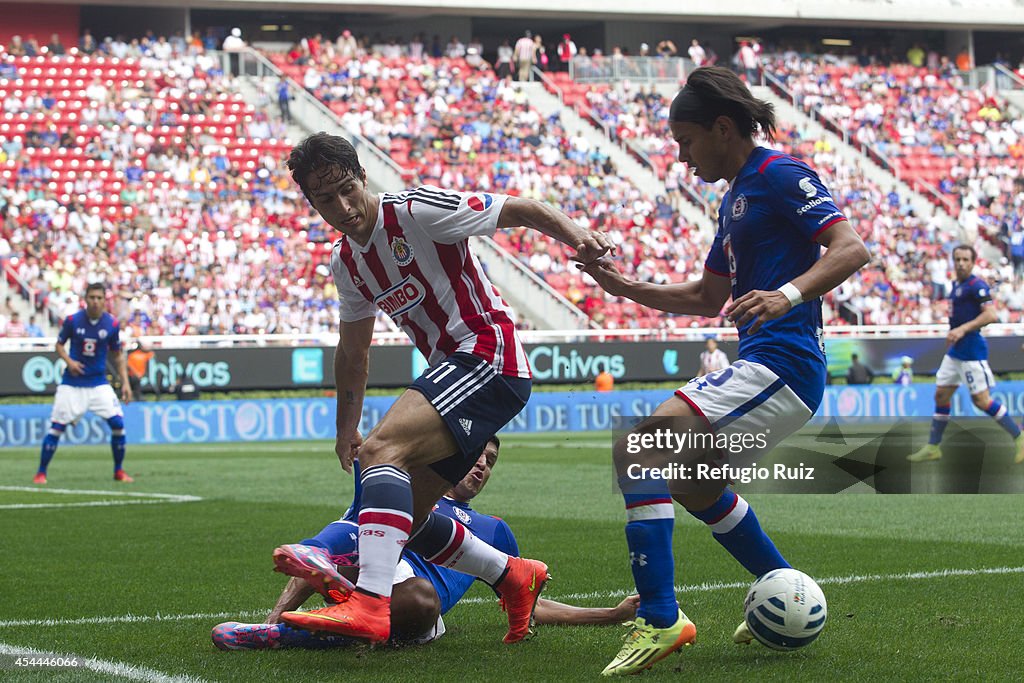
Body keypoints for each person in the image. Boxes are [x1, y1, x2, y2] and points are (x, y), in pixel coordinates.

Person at [582, 66, 869, 675]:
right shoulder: (734, 198)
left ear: (721, 127)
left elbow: (850, 249)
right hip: (768, 366)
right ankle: (785, 592)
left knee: (640, 447)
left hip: (784, 364)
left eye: (685, 142)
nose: (681, 157)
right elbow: (706, 297)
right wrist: (625, 284)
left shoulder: (781, 174)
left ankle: (660, 619)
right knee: (690, 482)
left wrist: (786, 295)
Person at [278, 133, 611, 646]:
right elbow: (353, 354)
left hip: (487, 355)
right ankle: (511, 576)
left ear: (362, 176)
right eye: (326, 200)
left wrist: (578, 236)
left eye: (347, 189)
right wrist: (345, 427)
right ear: (311, 202)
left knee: (381, 453)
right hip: (459, 376)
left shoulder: (416, 211)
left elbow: (518, 208)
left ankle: (367, 604)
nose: (342, 207)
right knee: (403, 520)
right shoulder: (348, 265)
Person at [212, 438, 639, 650]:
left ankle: (303, 624)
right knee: (354, 538)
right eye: (477, 454)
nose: (482, 465)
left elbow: (528, 601)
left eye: (490, 461)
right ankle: (276, 626)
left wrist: (611, 614)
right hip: (374, 572)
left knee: (421, 598)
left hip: (416, 605)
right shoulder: (405, 496)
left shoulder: (494, 529)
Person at [908, 245, 1024, 464]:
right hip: (955, 353)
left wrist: (962, 329)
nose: (961, 263)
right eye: (957, 259)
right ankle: (933, 447)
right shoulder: (956, 286)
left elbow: (991, 315)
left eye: (965, 259)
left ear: (973, 262)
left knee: (981, 401)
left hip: (972, 352)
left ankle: (1019, 436)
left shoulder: (976, 285)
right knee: (941, 395)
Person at [34, 283, 133, 485]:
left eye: (99, 298)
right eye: (92, 297)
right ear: (85, 299)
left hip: (98, 383)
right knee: (57, 427)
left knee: (118, 423)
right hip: (72, 384)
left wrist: (125, 383)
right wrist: (69, 362)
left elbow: (118, 356)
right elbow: (59, 345)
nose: (95, 301)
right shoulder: (73, 320)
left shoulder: (112, 325)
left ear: (104, 300)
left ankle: (119, 470)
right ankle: (41, 473)